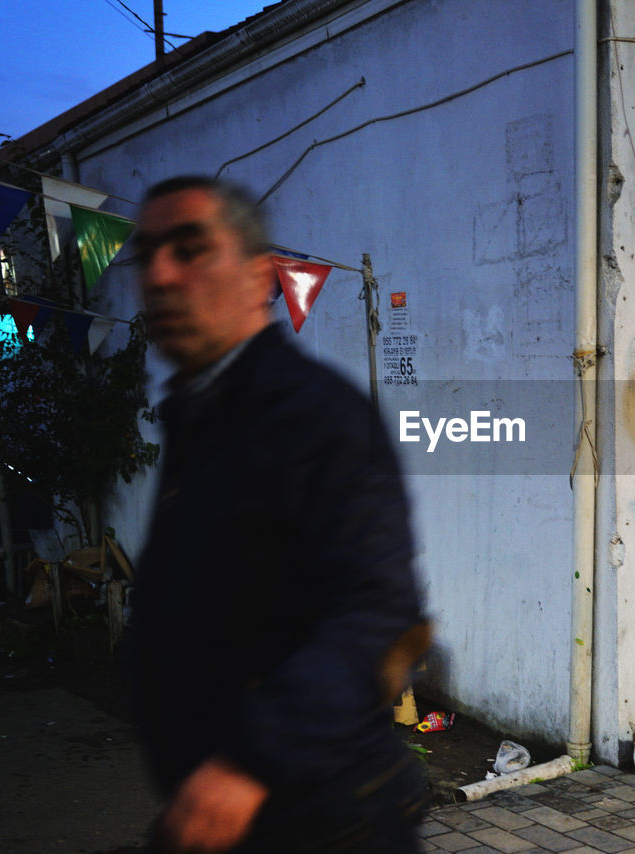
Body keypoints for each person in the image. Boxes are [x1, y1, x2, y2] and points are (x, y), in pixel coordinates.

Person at [129, 176, 430, 853]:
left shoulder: (314, 415)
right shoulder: (200, 414)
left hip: (323, 820)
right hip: (225, 818)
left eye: (189, 248)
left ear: (260, 275)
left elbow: (377, 613)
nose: (160, 275)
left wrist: (246, 764)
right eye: (145, 254)